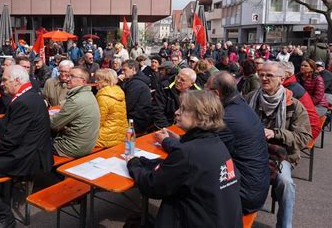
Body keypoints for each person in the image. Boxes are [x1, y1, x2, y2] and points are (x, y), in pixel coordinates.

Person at [127, 90, 242, 227]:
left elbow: (152, 186)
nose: (176, 112)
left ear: (200, 116)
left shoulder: (188, 152)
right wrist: (145, 161)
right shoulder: (216, 143)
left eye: (183, 109)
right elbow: (181, 169)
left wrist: (132, 163)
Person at [0, 65, 53, 227]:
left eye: (5, 80)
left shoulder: (24, 102)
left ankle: (4, 217)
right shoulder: (28, 95)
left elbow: (9, 141)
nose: (1, 83)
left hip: (26, 157)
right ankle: (1, 201)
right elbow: (7, 120)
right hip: (23, 151)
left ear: (17, 81)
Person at [246, 61, 312, 228]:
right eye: (261, 75)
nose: (264, 78)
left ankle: (284, 225)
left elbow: (304, 137)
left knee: (286, 183)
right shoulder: (249, 98)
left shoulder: (294, 105)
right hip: (251, 152)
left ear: (282, 79)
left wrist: (276, 133)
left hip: (281, 154)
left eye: (269, 75)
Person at [206, 72, 270, 214]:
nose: (204, 94)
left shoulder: (228, 118)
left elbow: (201, 152)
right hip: (255, 187)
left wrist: (170, 142)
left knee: (183, 187)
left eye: (206, 91)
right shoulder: (240, 105)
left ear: (216, 93)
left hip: (243, 195)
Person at [50, 67, 100, 157]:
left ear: (83, 81)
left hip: (72, 148)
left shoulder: (75, 100)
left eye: (72, 76)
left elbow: (53, 124)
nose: (67, 79)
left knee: (35, 144)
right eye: (68, 76)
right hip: (86, 145)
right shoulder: (89, 94)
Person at [281, 61, 321, 139]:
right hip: (306, 124)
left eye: (280, 72)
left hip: (308, 129)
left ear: (289, 74)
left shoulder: (291, 89)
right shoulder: (291, 84)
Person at [94, 69, 128, 148]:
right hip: (121, 134)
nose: (95, 82)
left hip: (106, 138)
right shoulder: (118, 92)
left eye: (98, 79)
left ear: (105, 81)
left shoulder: (103, 96)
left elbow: (98, 122)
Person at [121, 60, 152, 133]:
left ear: (133, 70)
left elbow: (128, 105)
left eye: (124, 70)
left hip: (137, 121)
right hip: (138, 118)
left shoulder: (136, 84)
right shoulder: (133, 81)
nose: (123, 72)